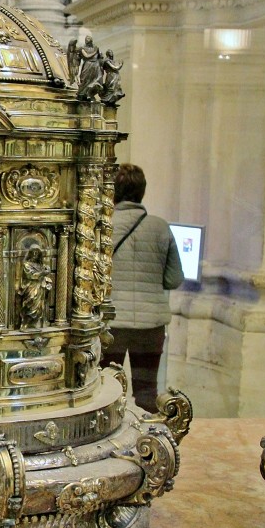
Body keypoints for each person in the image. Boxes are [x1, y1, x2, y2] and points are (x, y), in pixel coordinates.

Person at [103, 163, 183, 412]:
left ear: (112, 191)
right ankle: (148, 445)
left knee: (106, 389)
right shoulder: (161, 227)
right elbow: (174, 279)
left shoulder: (103, 225)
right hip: (151, 326)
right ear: (142, 192)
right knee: (147, 391)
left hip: (112, 324)